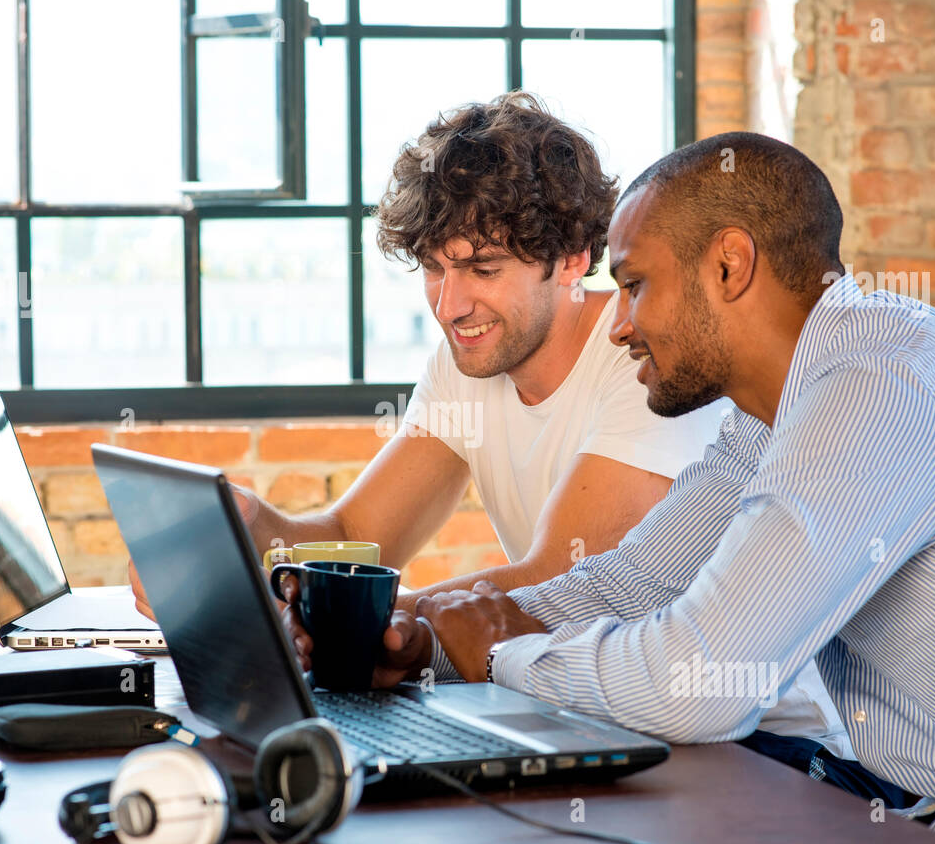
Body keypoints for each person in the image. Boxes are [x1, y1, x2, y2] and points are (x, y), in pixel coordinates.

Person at [393, 131, 935, 844]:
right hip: (916, 808)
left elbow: (699, 683)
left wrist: (503, 652)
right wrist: (426, 642)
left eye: (635, 286)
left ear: (728, 265)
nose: (620, 325)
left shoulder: (878, 385)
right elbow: (633, 583)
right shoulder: (779, 408)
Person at [133, 95, 849, 754]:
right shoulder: (469, 360)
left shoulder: (650, 361)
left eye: (480, 268)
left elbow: (555, 583)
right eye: (434, 269)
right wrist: (254, 533)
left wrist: (352, 623)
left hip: (750, 743)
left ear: (572, 259)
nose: (450, 305)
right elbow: (358, 529)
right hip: (571, 709)